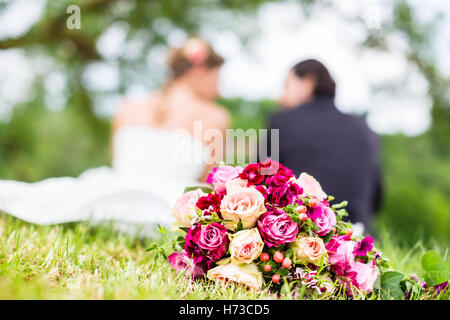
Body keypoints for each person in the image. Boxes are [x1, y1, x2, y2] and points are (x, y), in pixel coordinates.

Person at [0, 38, 230, 235]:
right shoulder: (216, 117)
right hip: (165, 212)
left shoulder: (127, 106)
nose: (218, 88)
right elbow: (206, 179)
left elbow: (115, 159)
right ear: (199, 71)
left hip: (106, 201)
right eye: (217, 78)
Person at [268, 59, 382, 234]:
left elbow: (261, 183)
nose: (280, 98)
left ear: (308, 82)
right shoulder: (366, 130)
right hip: (356, 239)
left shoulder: (280, 122)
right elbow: (377, 200)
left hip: (301, 236)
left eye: (286, 86)